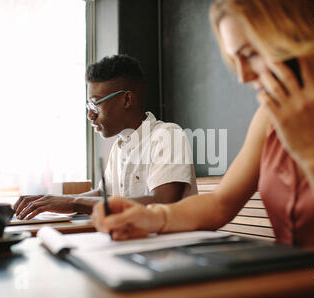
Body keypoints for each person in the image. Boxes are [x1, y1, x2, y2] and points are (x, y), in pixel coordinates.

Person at [91, 0, 314, 256]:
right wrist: (150, 217)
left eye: (250, 54)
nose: (243, 77)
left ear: (302, 36)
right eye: (234, 59)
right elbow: (219, 203)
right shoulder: (271, 115)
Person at [14, 54, 197, 220]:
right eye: (88, 107)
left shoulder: (168, 135)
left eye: (95, 106)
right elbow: (103, 194)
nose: (90, 115)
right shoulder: (121, 145)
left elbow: (163, 202)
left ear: (126, 100)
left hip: (172, 248)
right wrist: (49, 201)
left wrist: (73, 202)